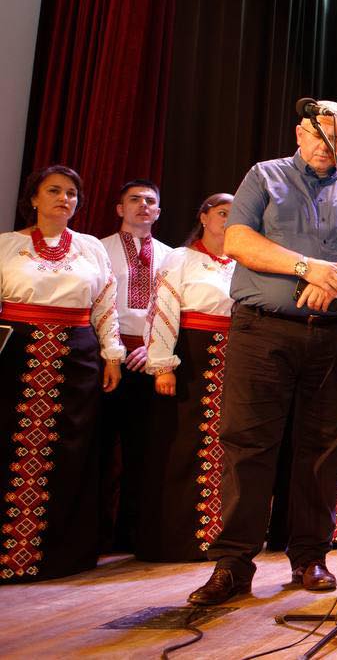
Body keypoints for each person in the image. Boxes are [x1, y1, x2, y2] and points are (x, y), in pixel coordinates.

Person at [188, 101, 337, 605]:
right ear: (300, 134)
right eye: (318, 135)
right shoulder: (264, 175)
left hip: (335, 335)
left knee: (323, 449)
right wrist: (308, 268)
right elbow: (239, 240)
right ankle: (233, 564)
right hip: (263, 330)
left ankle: (310, 557)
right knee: (248, 445)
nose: (327, 145)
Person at [0, 165, 124, 583]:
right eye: (54, 191)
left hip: (76, 357)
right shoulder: (7, 245)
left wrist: (112, 355)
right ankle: (10, 552)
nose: (64, 198)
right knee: (9, 445)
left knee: (71, 448)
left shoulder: (90, 248)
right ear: (34, 198)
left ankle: (60, 555)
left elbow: (105, 305)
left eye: (71, 193)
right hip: (17, 357)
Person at [137, 193, 236, 562]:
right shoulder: (181, 258)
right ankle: (180, 538)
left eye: (235, 214)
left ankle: (223, 535)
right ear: (204, 217)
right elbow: (163, 308)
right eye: (222, 212)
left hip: (234, 355)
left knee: (229, 443)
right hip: (193, 355)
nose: (228, 219)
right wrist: (163, 364)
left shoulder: (243, 262)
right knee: (185, 443)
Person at [98, 179, 172, 552]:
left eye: (150, 200)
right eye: (134, 199)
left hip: (151, 359)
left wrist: (152, 347)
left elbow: (172, 309)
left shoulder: (172, 256)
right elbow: (97, 302)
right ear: (119, 208)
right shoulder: (98, 249)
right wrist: (111, 349)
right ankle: (95, 534)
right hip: (105, 358)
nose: (143, 205)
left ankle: (132, 534)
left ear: (158, 211)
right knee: (99, 447)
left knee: (143, 449)